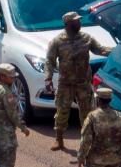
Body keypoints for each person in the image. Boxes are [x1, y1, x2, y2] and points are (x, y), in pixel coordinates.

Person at [44, 11, 113, 150]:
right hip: (66, 84)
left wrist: (117, 50)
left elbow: (100, 50)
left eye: (79, 20)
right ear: (68, 24)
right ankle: (59, 139)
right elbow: (49, 61)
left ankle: (88, 142)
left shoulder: (86, 38)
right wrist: (48, 78)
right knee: (62, 112)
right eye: (76, 21)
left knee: (87, 113)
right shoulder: (57, 41)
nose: (79, 23)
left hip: (83, 83)